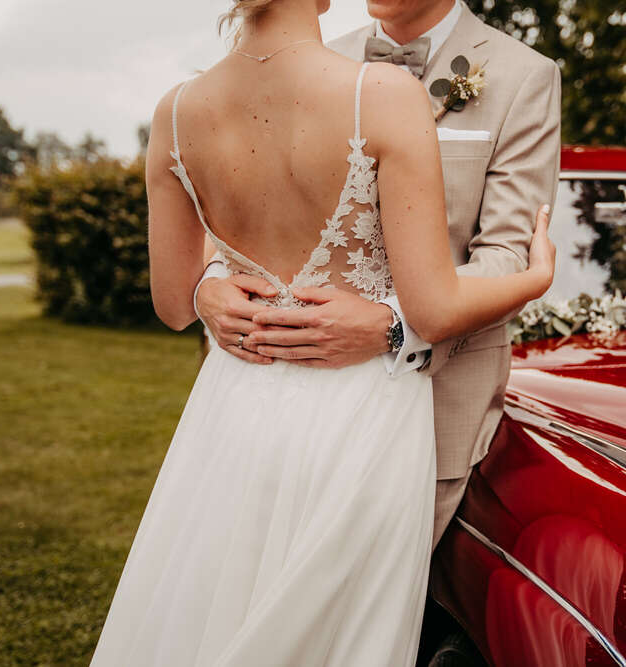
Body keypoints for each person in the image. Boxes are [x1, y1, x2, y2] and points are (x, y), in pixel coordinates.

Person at [89, 0, 555, 664]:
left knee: (217, 607)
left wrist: (208, 288)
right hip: (359, 410)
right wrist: (536, 277)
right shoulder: (382, 94)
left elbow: (172, 301)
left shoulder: (173, 110)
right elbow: (434, 308)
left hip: (233, 406)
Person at [195, 0, 562, 548]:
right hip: (285, 405)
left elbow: (508, 253)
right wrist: (211, 282)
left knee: (377, 622)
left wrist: (394, 329)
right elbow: (244, 198)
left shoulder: (523, 75)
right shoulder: (314, 59)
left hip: (433, 410)